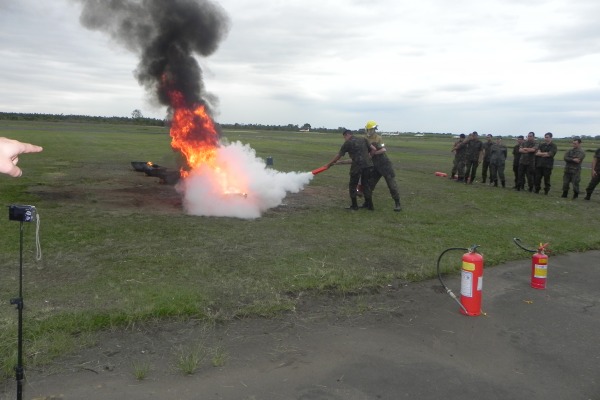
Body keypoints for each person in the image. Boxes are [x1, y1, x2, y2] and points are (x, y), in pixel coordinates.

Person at [326, 129, 375, 210]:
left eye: (344, 137)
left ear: (347, 135)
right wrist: (369, 157)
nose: (344, 139)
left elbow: (339, 155)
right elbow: (373, 149)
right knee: (366, 185)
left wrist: (329, 164)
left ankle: (354, 206)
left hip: (357, 166)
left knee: (352, 185)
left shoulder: (348, 143)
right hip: (368, 166)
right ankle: (370, 205)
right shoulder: (363, 139)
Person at [364, 120, 402, 211]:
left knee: (392, 185)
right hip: (374, 166)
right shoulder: (364, 139)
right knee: (369, 185)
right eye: (369, 129)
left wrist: (373, 153)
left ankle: (398, 204)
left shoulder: (378, 138)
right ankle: (367, 203)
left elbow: (383, 150)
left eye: (372, 129)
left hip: (384, 165)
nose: (370, 131)